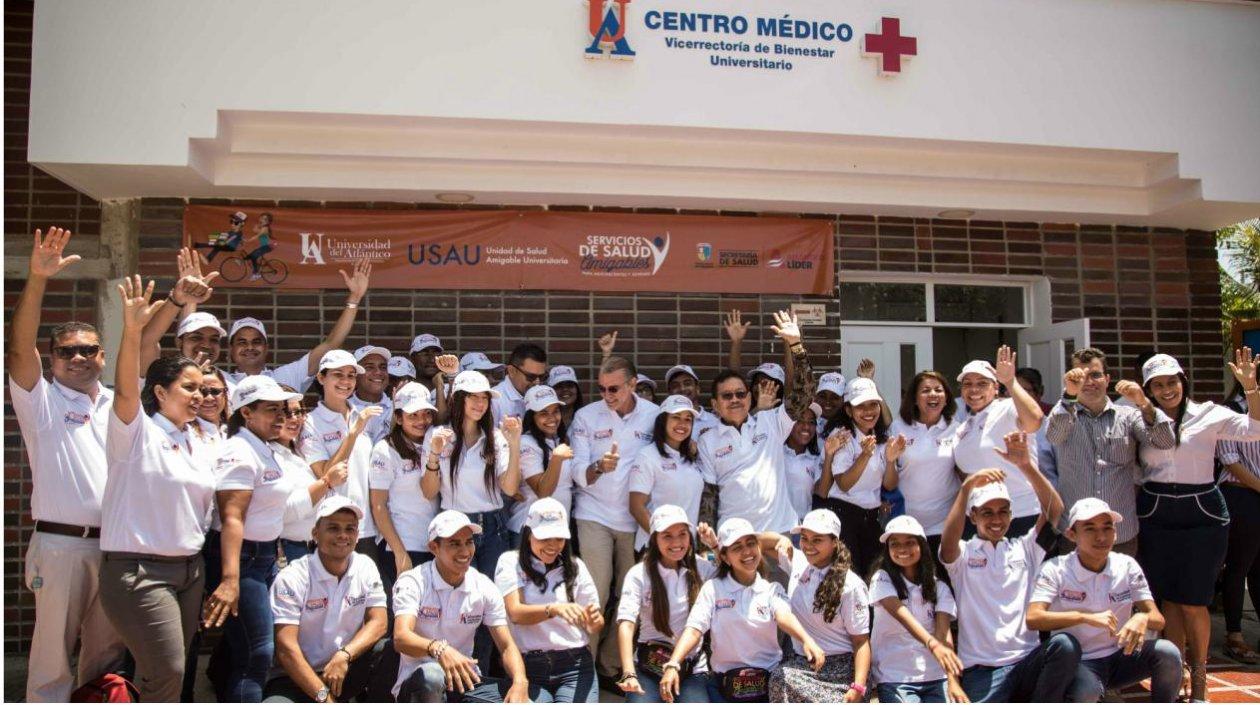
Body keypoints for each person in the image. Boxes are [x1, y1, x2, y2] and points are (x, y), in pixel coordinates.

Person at [9, 227, 129, 702]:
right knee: (51, 658)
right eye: (66, 351)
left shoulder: (118, 404)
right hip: (61, 546)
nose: (78, 357)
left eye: (88, 349)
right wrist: (38, 279)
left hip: (116, 547)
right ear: (53, 360)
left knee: (104, 658)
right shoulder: (41, 404)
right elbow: (18, 350)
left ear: (103, 356)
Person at [97, 275, 215, 702]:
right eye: (189, 387)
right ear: (160, 392)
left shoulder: (199, 438)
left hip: (189, 572)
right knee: (167, 670)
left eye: (203, 388)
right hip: (140, 572)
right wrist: (132, 330)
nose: (200, 395)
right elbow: (128, 383)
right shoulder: (136, 432)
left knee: (166, 677)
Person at [204, 374, 347, 702]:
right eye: (272, 410)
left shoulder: (265, 449)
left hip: (267, 556)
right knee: (257, 653)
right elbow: (231, 518)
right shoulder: (240, 451)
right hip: (243, 560)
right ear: (246, 413)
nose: (282, 417)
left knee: (255, 651)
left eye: (285, 410)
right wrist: (230, 580)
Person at [1136, 350, 1260, 701]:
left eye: (1172, 381)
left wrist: (1250, 388)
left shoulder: (1208, 413)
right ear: (1149, 389)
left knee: (1194, 601)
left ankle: (1201, 680)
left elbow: (1254, 430)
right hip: (1157, 512)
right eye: (1157, 385)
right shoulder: (1139, 418)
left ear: (1183, 380)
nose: (1166, 389)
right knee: (1170, 601)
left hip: (1202, 512)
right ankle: (1175, 678)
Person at [939, 431, 1073, 703]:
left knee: (1064, 646)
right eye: (987, 512)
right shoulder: (963, 553)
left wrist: (1026, 466)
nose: (996, 519)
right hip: (982, 669)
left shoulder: (1026, 547)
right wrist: (966, 489)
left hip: (1027, 661)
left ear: (1012, 514)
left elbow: (1055, 512)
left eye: (1003, 511)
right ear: (972, 515)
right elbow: (948, 541)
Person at [1027, 498, 1182, 703]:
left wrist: (1142, 618)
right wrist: (1084, 617)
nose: (1101, 536)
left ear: (1116, 533)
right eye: (1090, 529)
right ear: (1072, 535)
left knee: (1168, 652)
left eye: (1107, 528)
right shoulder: (1055, 569)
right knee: (1087, 692)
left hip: (1121, 656)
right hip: (1079, 662)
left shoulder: (1127, 565)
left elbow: (1158, 618)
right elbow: (1033, 617)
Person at [660, 517, 824, 703]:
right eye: (737, 547)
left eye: (751, 543)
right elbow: (694, 629)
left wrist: (806, 639)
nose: (746, 552)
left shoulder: (772, 590)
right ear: (724, 557)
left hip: (768, 685)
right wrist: (673, 664)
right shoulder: (713, 589)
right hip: (722, 688)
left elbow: (784, 616)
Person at [569, 356, 660, 679]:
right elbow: (576, 468)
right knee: (596, 594)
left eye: (614, 389)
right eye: (602, 389)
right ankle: (582, 671)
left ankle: (608, 666)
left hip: (635, 521)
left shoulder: (654, 416)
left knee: (630, 596)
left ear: (634, 384)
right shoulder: (585, 416)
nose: (607, 395)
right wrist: (597, 468)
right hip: (593, 514)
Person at [697, 310, 814, 544]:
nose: (735, 399)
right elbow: (709, 495)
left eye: (740, 394)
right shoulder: (707, 440)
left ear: (750, 398)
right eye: (727, 396)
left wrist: (796, 346)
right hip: (734, 540)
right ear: (715, 405)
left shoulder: (771, 421)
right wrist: (706, 545)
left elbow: (804, 395)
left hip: (780, 534)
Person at [392, 510, 532, 703]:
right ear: (434, 547)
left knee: (529, 700)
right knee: (432, 675)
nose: (465, 551)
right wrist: (440, 650)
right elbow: (400, 638)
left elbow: (506, 646)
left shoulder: (483, 586)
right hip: (418, 683)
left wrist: (520, 682)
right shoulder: (413, 581)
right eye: (455, 544)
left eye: (469, 542)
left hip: (464, 682)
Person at [1046, 347, 1175, 557]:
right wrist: (1069, 395)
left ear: (1107, 379)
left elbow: (1165, 441)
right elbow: (1054, 437)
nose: (1089, 382)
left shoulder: (1129, 416)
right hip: (1075, 534)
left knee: (1120, 591)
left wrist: (1143, 402)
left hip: (1120, 534)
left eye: (1095, 375)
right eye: (1081, 377)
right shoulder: (1062, 414)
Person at [265, 497, 389, 703]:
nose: (343, 535)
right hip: (295, 677)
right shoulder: (293, 577)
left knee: (388, 651)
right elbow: (286, 648)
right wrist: (323, 697)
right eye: (333, 528)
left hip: (344, 667)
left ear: (358, 535)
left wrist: (345, 655)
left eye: (350, 529)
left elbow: (379, 622)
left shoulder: (365, 566)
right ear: (315, 534)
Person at [496, 499, 603, 703]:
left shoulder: (576, 566)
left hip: (575, 664)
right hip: (528, 667)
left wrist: (593, 620)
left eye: (559, 538)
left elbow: (594, 624)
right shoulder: (510, 562)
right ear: (528, 534)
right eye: (545, 537)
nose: (553, 545)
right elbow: (515, 613)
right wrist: (554, 609)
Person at [762, 509, 872, 703]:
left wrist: (858, 686)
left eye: (817, 540)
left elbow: (861, 642)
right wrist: (780, 539)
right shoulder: (798, 561)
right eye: (804, 538)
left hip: (843, 669)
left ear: (835, 542)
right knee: (779, 678)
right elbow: (755, 543)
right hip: (803, 663)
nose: (809, 546)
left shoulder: (852, 585)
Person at [421, 370, 523, 577]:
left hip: (494, 526)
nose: (481, 403)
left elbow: (510, 488)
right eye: (473, 396)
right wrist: (434, 453)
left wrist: (514, 444)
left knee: (494, 594)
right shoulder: (438, 435)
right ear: (459, 399)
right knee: (459, 593)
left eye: (484, 397)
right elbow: (429, 492)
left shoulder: (495, 437)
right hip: (453, 526)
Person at [615, 505, 716, 703]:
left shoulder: (703, 568)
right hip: (648, 665)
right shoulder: (639, 574)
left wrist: (715, 546)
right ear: (654, 539)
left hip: (692, 669)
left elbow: (735, 570)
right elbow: (626, 623)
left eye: (682, 534)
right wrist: (628, 672)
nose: (676, 542)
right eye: (667, 536)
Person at [869, 515, 966, 704]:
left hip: (936, 676)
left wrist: (953, 681)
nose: (902, 549)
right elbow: (900, 613)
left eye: (910, 542)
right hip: (895, 676)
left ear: (922, 545)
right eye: (894, 544)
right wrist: (932, 644)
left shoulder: (940, 588)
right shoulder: (881, 578)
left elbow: (943, 634)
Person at [953, 346, 1046, 537]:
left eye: (982, 383)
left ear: (996, 388)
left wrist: (1011, 382)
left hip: (1020, 514)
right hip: (978, 516)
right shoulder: (963, 428)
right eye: (967, 384)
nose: (974, 389)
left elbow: (1035, 420)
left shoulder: (1008, 408)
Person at [301, 350, 384, 560]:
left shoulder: (365, 414)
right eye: (338, 374)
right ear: (321, 377)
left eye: (351, 375)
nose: (345, 381)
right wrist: (353, 434)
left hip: (367, 529)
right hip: (332, 526)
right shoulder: (310, 422)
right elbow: (326, 475)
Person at [814, 377, 901, 576]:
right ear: (848, 410)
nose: (869, 411)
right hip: (843, 515)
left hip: (871, 518)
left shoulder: (884, 438)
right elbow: (844, 484)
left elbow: (889, 485)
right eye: (861, 406)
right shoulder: (842, 435)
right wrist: (864, 455)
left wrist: (890, 460)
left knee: (875, 577)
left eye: (873, 404)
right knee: (848, 579)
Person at [370, 382, 442, 591]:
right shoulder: (385, 450)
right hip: (402, 546)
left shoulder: (436, 442)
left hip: (435, 545)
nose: (422, 421)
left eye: (426, 413)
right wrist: (400, 552)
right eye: (413, 415)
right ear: (399, 417)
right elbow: (379, 505)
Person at [886, 371, 962, 557]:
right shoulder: (898, 428)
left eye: (938, 390)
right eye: (926, 390)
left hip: (944, 523)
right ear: (914, 399)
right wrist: (890, 460)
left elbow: (964, 474)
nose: (933, 394)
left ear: (946, 399)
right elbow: (889, 484)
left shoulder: (957, 429)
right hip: (905, 522)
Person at [628, 396, 706, 550]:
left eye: (688, 419)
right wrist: (662, 540)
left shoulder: (691, 456)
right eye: (676, 417)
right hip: (655, 548)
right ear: (663, 421)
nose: (682, 424)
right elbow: (636, 507)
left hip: (685, 548)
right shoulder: (647, 456)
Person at [1217, 406, 1260, 664]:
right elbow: (1229, 459)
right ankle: (1234, 634)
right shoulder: (1232, 413)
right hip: (1241, 494)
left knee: (1259, 569)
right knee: (1238, 566)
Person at [507, 385, 577, 538]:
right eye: (543, 413)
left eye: (555, 411)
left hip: (557, 529)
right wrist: (556, 459)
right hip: (528, 531)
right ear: (532, 416)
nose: (552, 418)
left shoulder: (561, 440)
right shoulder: (526, 442)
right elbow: (543, 492)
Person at [783, 403, 825, 523]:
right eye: (800, 421)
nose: (806, 427)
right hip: (775, 527)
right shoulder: (775, 451)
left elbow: (821, 493)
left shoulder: (816, 461)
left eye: (811, 422)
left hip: (802, 528)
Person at [492, 344, 549, 425]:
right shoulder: (494, 401)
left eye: (542, 376)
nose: (537, 382)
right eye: (531, 376)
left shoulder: (545, 395)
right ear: (511, 371)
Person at [351, 344, 394, 444]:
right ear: (356, 374)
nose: (378, 372)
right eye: (369, 367)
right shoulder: (343, 409)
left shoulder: (399, 410)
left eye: (383, 367)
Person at [665, 364, 720, 436]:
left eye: (687, 384)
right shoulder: (664, 423)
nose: (682, 389)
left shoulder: (715, 422)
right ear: (670, 393)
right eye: (675, 386)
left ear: (697, 389)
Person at [193, 366, 230, 447]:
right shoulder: (186, 433)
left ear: (225, 393)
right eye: (203, 391)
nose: (209, 398)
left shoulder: (235, 432)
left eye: (215, 391)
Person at [244, 212, 274, 279]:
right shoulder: (263, 227)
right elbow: (255, 230)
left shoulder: (265, 228)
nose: (262, 220)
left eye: (265, 219)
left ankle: (256, 273)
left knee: (253, 256)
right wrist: (258, 225)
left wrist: (247, 240)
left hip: (267, 246)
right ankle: (257, 268)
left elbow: (257, 236)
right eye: (262, 218)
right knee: (252, 255)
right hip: (264, 246)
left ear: (268, 222)